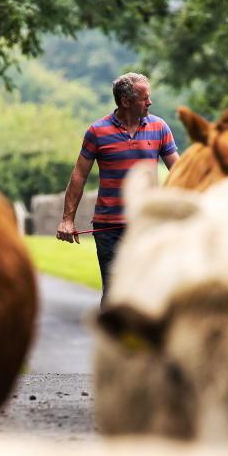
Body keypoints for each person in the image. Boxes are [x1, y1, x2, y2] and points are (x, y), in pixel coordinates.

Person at [56, 73, 179, 304]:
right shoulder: (97, 132)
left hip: (147, 225)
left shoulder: (159, 127)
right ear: (126, 101)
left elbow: (179, 171)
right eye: (145, 98)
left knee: (150, 293)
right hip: (108, 229)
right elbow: (79, 175)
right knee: (115, 294)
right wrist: (67, 220)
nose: (150, 102)